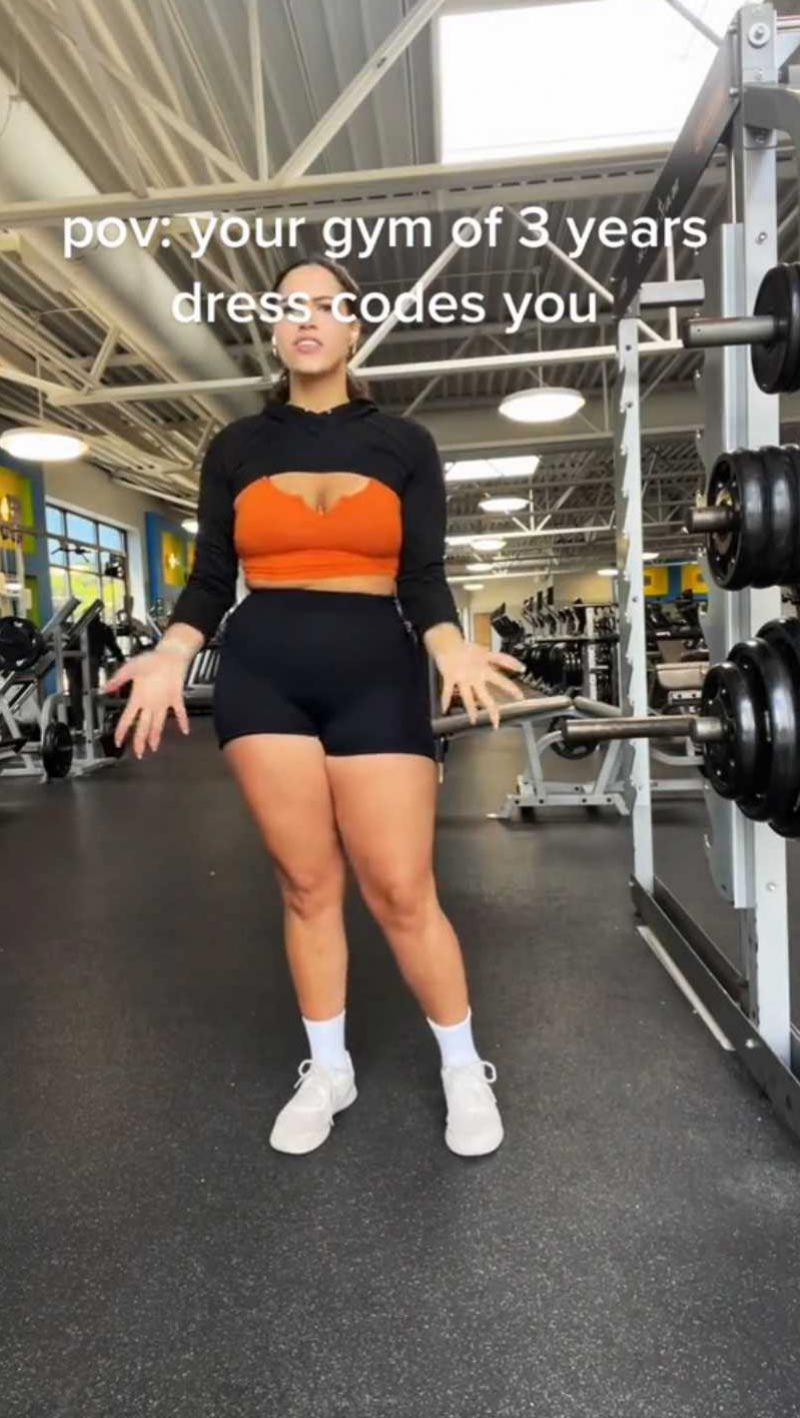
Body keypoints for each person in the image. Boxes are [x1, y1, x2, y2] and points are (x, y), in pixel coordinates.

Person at [105, 254, 526, 1159]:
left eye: (326, 307)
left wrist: (449, 646)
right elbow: (211, 577)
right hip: (264, 676)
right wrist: (171, 654)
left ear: (352, 328)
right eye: (290, 306)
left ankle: (462, 1066)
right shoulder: (237, 447)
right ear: (274, 328)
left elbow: (422, 575)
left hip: (377, 671)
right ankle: (329, 1068)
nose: (307, 319)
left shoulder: (404, 443)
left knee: (402, 888)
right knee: (306, 886)